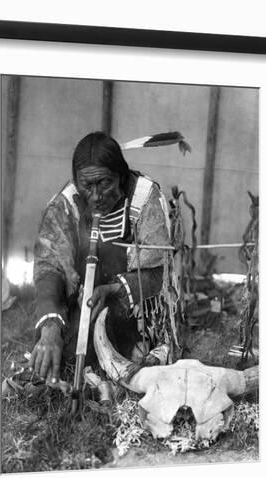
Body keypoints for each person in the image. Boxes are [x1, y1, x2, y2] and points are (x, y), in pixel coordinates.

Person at [29, 131, 172, 384]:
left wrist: (114, 289)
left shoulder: (143, 198)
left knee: (118, 352)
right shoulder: (66, 203)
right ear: (76, 180)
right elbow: (49, 266)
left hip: (133, 304)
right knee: (63, 347)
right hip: (84, 298)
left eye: (104, 183)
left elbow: (158, 273)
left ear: (121, 175)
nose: (96, 196)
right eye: (88, 186)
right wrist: (50, 327)